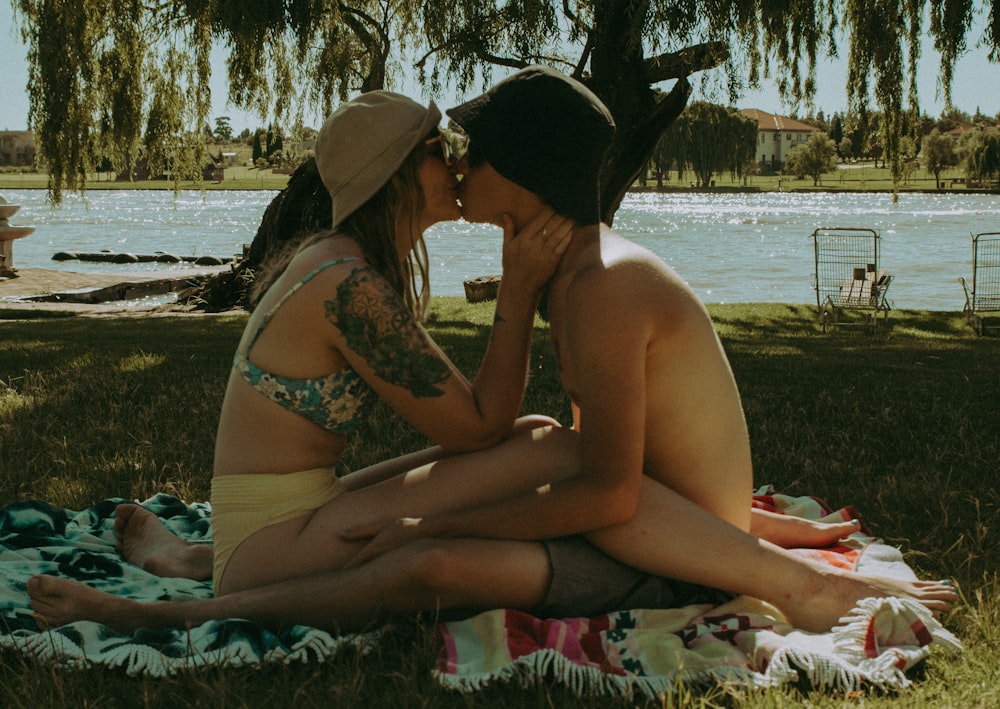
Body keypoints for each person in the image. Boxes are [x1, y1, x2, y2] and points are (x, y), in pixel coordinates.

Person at [28, 68, 955, 635]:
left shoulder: (345, 262)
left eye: (464, 149)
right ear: (403, 179)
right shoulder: (353, 286)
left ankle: (196, 568)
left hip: (277, 521)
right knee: (547, 443)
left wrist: (754, 525)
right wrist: (514, 298)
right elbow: (492, 435)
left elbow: (587, 470)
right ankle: (196, 579)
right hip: (273, 537)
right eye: (440, 150)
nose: (456, 163)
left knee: (551, 437)